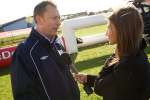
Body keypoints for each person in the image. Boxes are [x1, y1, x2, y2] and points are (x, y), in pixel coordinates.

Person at [75, 6, 150, 100]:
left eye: (109, 27)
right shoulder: (137, 55)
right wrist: (88, 78)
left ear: (122, 30)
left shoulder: (127, 65)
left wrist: (113, 58)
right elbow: (115, 81)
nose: (106, 33)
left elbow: (100, 87)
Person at [11, 1, 80, 100]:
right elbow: (23, 95)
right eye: (54, 18)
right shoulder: (24, 51)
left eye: (59, 18)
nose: (59, 22)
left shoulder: (57, 43)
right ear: (39, 19)